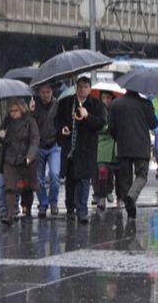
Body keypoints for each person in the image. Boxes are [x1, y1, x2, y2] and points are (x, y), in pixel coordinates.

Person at [56, 77, 106, 224]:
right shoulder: (66, 103)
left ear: (89, 89)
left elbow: (101, 123)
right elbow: (58, 121)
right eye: (80, 87)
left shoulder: (96, 104)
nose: (82, 89)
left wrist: (87, 116)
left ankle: (82, 211)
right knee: (70, 180)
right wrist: (62, 128)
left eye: (85, 87)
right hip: (70, 148)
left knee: (84, 180)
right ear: (76, 88)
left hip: (86, 150)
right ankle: (70, 209)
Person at [109, 90, 158, 219]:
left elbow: (111, 128)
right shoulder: (146, 104)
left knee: (125, 178)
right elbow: (154, 124)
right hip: (141, 147)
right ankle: (132, 196)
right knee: (141, 175)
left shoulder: (116, 104)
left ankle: (129, 207)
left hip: (123, 146)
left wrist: (119, 138)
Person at [1, 99, 40, 225]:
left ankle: (27, 210)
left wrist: (30, 155)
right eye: (11, 111)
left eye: (15, 110)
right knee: (9, 187)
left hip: (25, 159)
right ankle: (10, 214)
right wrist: (2, 135)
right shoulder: (7, 121)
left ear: (22, 109)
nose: (13, 113)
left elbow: (35, 139)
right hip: (10, 158)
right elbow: (5, 140)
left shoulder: (30, 121)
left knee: (27, 187)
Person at [33, 84, 61, 218]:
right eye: (43, 92)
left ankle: (53, 201)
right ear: (39, 92)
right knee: (38, 179)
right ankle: (43, 204)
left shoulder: (57, 105)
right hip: (38, 146)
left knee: (55, 175)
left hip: (54, 145)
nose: (45, 95)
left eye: (48, 92)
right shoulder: (34, 105)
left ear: (52, 92)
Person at [94, 91, 120, 210]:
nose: (106, 100)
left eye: (108, 98)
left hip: (115, 145)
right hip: (102, 145)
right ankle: (101, 196)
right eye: (103, 98)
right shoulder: (97, 110)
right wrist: (105, 127)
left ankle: (113, 193)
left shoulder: (117, 109)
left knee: (116, 173)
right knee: (102, 171)